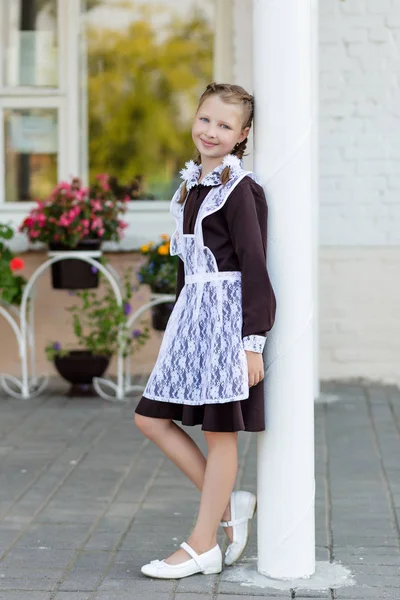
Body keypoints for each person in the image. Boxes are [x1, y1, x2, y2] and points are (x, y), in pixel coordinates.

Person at [134, 82, 276, 579]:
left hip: (227, 324)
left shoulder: (240, 191)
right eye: (205, 119)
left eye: (225, 125)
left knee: (220, 434)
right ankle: (229, 507)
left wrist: (251, 343)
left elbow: (255, 269)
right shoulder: (191, 186)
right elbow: (188, 269)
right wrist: (176, 331)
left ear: (242, 135)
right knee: (150, 419)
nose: (211, 131)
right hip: (192, 323)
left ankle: (202, 545)